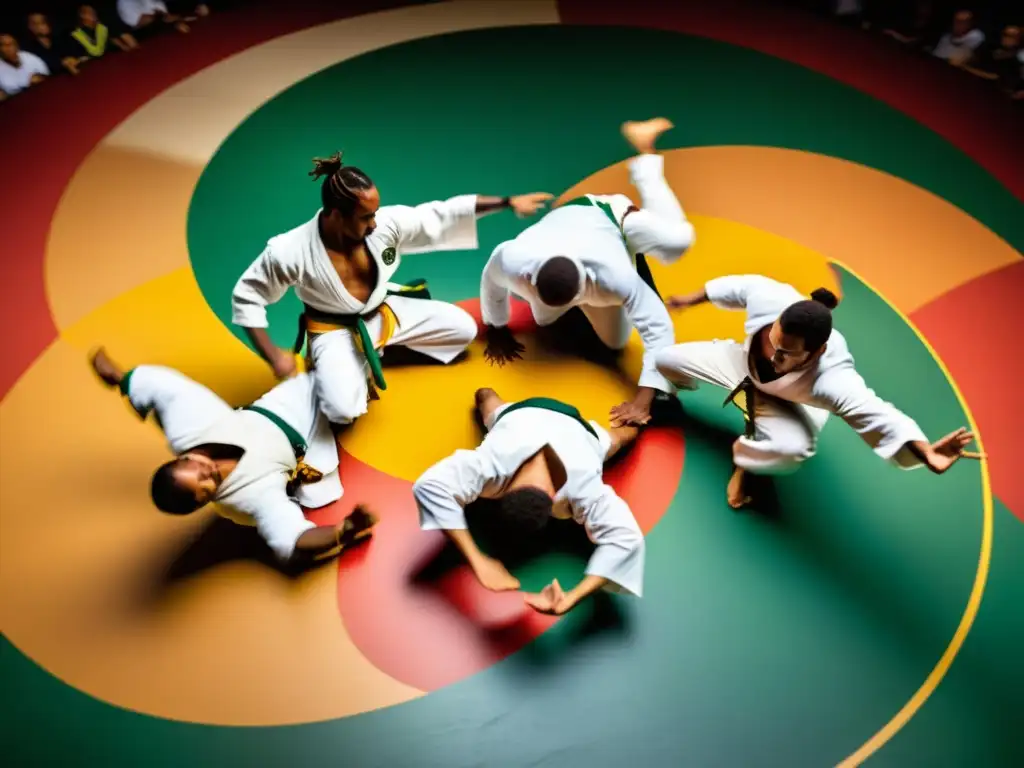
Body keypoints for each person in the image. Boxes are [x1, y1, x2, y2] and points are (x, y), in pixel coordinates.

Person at [232, 150, 553, 430]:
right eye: (365, 217)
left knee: (463, 330)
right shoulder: (289, 250)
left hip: (383, 312)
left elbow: (440, 213)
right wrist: (274, 356)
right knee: (343, 411)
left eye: (374, 213)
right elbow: (248, 296)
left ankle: (375, 354)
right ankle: (335, 367)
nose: (374, 224)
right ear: (335, 215)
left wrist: (508, 202)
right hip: (334, 330)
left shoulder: (384, 224)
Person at [655, 275, 982, 508]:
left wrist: (924, 452)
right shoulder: (772, 299)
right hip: (741, 367)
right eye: (773, 342)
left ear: (817, 352)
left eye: (785, 355)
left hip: (793, 403)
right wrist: (688, 299)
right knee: (664, 360)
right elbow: (736, 286)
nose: (773, 356)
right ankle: (721, 401)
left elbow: (878, 414)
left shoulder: (833, 377)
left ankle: (745, 461)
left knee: (792, 450)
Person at [479, 118, 695, 429]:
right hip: (568, 224)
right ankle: (569, 317)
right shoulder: (513, 259)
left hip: (611, 219)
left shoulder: (613, 274)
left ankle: (646, 155)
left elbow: (658, 329)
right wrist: (497, 327)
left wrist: (643, 400)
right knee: (545, 321)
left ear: (587, 284)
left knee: (677, 242)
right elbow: (491, 280)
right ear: (530, 279)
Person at [89, 347, 377, 567]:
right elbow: (295, 540)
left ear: (183, 459)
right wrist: (343, 530)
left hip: (283, 402)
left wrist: (122, 379)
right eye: (206, 493)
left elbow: (165, 387)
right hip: (312, 441)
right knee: (352, 385)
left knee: (335, 346)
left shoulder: (188, 428)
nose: (211, 476)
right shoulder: (247, 500)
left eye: (200, 471)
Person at [412, 387, 645, 616]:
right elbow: (626, 540)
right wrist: (477, 559)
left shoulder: (581, 487)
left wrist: (570, 599)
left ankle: (648, 407)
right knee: (485, 397)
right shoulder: (493, 464)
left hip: (576, 430)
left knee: (624, 437)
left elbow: (626, 540)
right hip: (522, 414)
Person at [0, 32, 48, 100]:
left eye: (12, 44)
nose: (10, 48)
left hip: (41, 95)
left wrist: (41, 78)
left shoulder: (29, 57)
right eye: (5, 45)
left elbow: (47, 75)